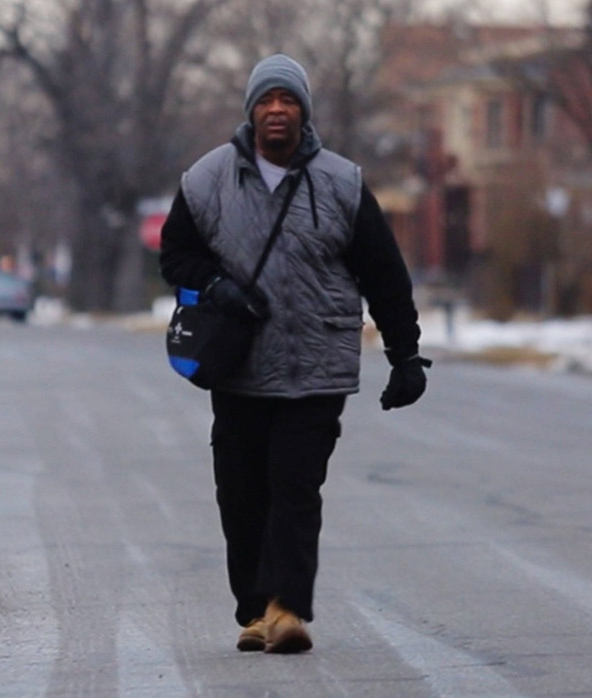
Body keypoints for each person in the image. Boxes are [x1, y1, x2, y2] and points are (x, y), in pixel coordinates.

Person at [159, 53, 430, 654]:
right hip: (238, 364)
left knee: (295, 486)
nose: (277, 110)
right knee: (241, 491)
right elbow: (174, 257)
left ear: (304, 113)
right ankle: (255, 610)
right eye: (266, 100)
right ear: (251, 111)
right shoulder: (207, 181)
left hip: (316, 364)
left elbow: (385, 274)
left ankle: (286, 609)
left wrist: (405, 355)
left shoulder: (342, 183)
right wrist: (216, 285)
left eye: (288, 101)